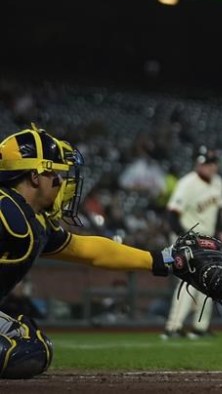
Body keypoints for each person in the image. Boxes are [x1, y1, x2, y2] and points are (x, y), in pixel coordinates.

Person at [0, 124, 177, 379]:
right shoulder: (8, 211)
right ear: (35, 177)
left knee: (32, 345)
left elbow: (89, 250)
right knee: (24, 351)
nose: (61, 182)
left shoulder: (30, 219)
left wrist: (161, 259)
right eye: (56, 175)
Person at [161, 145, 222, 339]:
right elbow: (172, 216)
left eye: (211, 163)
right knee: (188, 284)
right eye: (205, 163)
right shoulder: (187, 183)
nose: (208, 166)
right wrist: (185, 240)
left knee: (209, 282)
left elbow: (219, 211)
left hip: (208, 239)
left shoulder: (218, 182)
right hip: (187, 238)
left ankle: (200, 327)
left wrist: (220, 233)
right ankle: (173, 327)